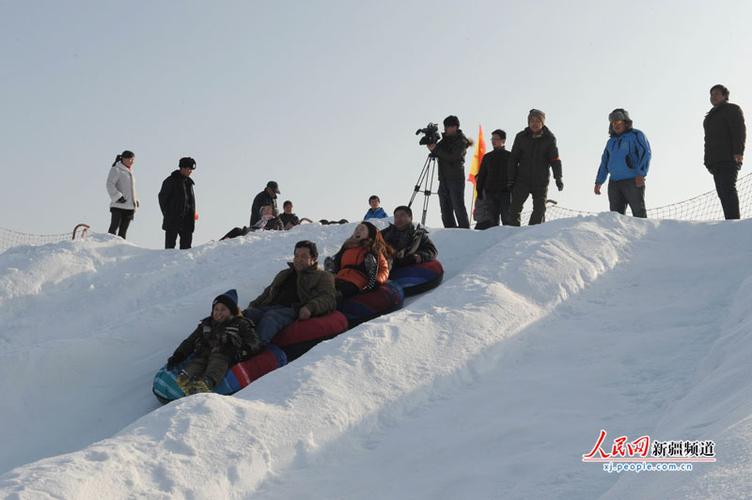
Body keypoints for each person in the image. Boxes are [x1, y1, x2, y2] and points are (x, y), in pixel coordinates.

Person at [166, 289, 260, 395]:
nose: (218, 312)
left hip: (225, 353)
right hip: (204, 353)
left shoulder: (240, 324)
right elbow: (190, 341)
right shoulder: (206, 324)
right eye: (216, 309)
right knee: (197, 362)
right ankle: (185, 377)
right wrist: (178, 355)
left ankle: (207, 382)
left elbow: (254, 341)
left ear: (232, 311)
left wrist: (243, 352)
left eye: (223, 309)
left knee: (217, 362)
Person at [243, 240, 337, 344]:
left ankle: (256, 349)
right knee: (248, 314)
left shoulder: (322, 276)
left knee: (271, 317)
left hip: (294, 309)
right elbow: (267, 292)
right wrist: (253, 305)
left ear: (313, 259)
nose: (298, 259)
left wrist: (310, 308)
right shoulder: (284, 273)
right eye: (296, 256)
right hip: (271, 306)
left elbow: (328, 298)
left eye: (303, 256)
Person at [508, 109, 563, 226]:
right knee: (514, 208)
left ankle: (531, 233)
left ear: (542, 123)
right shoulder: (521, 137)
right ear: (528, 122)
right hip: (522, 179)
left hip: (540, 180)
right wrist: (510, 178)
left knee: (539, 209)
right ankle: (513, 233)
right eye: (532, 121)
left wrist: (558, 177)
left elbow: (555, 160)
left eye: (537, 121)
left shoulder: (549, 138)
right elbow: (513, 159)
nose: (534, 123)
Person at [594, 109, 652, 218]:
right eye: (613, 123)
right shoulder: (611, 142)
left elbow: (645, 153)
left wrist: (641, 174)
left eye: (618, 121)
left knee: (639, 214)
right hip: (614, 183)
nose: (616, 125)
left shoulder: (636, 135)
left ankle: (643, 235)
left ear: (625, 122)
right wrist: (599, 182)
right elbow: (605, 162)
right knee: (616, 217)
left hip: (633, 180)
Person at [704, 84, 746, 219]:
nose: (713, 97)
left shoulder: (732, 109)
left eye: (716, 93)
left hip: (729, 157)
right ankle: (729, 221)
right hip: (715, 161)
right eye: (711, 94)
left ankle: (734, 221)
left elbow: (739, 131)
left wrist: (739, 152)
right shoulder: (709, 117)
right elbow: (708, 140)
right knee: (721, 191)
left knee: (728, 188)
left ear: (724, 95)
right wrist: (707, 161)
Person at [324, 221, 392, 300]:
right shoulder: (346, 249)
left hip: (357, 280)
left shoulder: (373, 250)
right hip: (340, 278)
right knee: (326, 285)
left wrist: (378, 280)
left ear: (370, 234)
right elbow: (338, 265)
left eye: (362, 229)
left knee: (345, 289)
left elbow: (384, 269)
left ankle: (371, 278)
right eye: (356, 229)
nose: (358, 231)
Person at [427, 115, 472, 228]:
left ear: (456, 127)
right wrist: (433, 147)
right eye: (446, 126)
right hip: (443, 178)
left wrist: (436, 149)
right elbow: (438, 152)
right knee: (445, 209)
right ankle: (450, 232)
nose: (447, 128)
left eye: (450, 126)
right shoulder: (444, 141)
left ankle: (465, 231)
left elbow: (453, 156)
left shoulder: (461, 140)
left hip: (455, 178)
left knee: (458, 206)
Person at [475, 129, 512, 227]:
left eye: (496, 139)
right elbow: (482, 175)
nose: (494, 141)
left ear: (503, 141)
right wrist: (479, 191)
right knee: (492, 222)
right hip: (491, 193)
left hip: (505, 193)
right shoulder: (487, 157)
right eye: (492, 139)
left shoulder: (510, 156)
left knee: (507, 221)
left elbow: (515, 174)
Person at [158, 157, 197, 249]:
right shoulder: (170, 181)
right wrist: (169, 214)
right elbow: (162, 198)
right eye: (188, 169)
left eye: (191, 169)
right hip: (173, 220)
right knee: (169, 249)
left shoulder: (189, 183)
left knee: (186, 249)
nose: (190, 171)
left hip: (187, 220)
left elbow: (190, 202)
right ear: (182, 168)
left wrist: (192, 214)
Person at [106, 150, 139, 239]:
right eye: (129, 159)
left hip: (129, 207)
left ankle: (120, 250)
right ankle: (107, 247)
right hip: (118, 206)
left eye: (132, 159)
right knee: (113, 229)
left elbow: (131, 189)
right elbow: (109, 184)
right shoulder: (116, 169)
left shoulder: (130, 172)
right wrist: (118, 196)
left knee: (123, 232)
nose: (131, 161)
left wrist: (135, 200)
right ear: (123, 159)